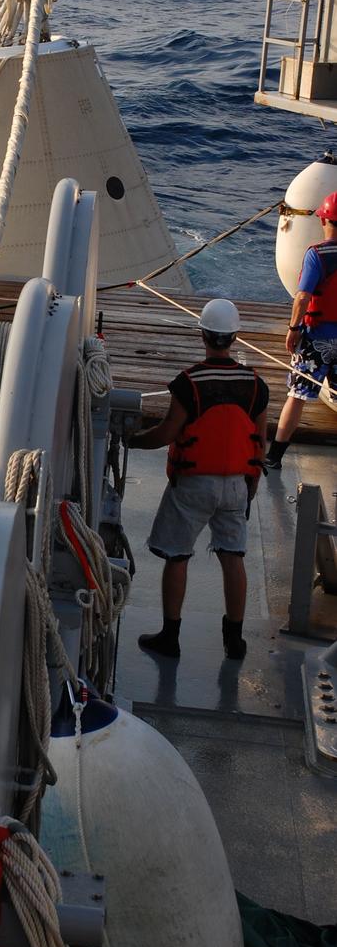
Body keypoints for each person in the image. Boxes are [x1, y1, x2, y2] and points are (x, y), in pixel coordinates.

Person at [129, 299, 268, 661]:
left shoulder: (188, 384)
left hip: (193, 484)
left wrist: (129, 440)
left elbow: (166, 434)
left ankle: (170, 637)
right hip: (237, 484)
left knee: (177, 557)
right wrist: (250, 480)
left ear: (203, 335)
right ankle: (234, 640)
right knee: (233, 557)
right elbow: (260, 441)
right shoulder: (256, 385)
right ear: (234, 337)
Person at [264, 191, 337, 470]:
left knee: (297, 395)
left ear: (324, 220)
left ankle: (275, 457)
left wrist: (293, 328)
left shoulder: (317, 255)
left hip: (316, 338)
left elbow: (303, 297)